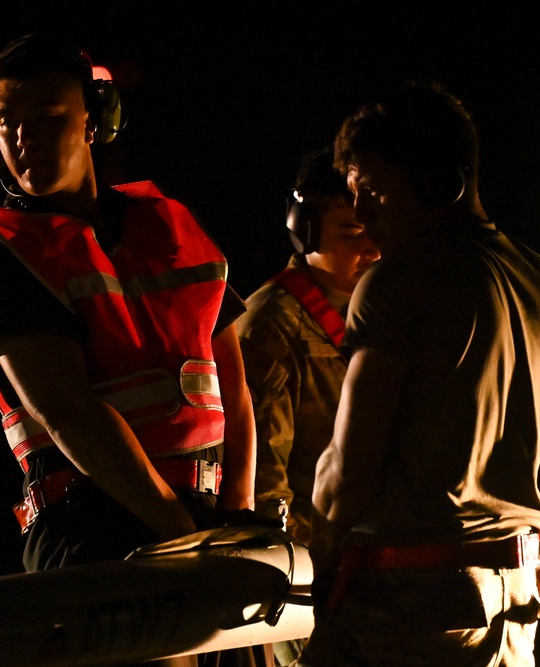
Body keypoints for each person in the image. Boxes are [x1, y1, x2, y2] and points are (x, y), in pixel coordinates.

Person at [0, 32, 256, 587]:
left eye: (46, 117)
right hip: (93, 524)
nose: (23, 138)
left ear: (93, 122)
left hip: (200, 522)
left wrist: (238, 517)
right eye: (6, 121)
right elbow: (69, 413)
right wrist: (184, 538)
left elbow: (233, 382)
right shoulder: (6, 254)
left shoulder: (169, 225)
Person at [302, 81, 540, 666]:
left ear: (438, 179)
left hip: (414, 604)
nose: (362, 214)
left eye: (372, 189)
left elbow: (349, 469)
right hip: (514, 601)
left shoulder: (399, 280)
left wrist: (312, 552)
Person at [237, 147, 378, 667]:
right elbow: (263, 487)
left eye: (375, 228)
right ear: (305, 230)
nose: (372, 248)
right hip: (313, 591)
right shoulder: (271, 327)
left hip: (373, 576)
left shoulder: (382, 317)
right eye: (351, 233)